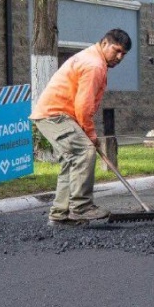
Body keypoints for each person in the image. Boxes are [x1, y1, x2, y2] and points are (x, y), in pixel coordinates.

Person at [30, 29, 131, 227]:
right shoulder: (94, 65)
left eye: (123, 54)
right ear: (104, 43)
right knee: (84, 152)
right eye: (117, 50)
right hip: (56, 115)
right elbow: (83, 105)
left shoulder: (93, 59)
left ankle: (61, 214)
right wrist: (90, 133)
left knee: (72, 160)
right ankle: (81, 207)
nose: (119, 57)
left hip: (51, 114)